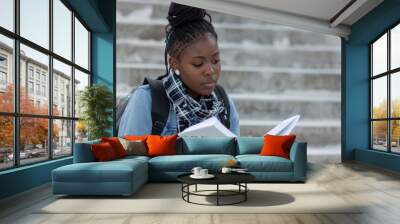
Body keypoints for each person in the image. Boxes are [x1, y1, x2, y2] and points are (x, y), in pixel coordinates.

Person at [118, 2, 240, 136]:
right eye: (198, 64)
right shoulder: (147, 99)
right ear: (174, 63)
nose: (210, 71)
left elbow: (234, 156)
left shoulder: (224, 103)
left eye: (215, 61)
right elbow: (130, 154)